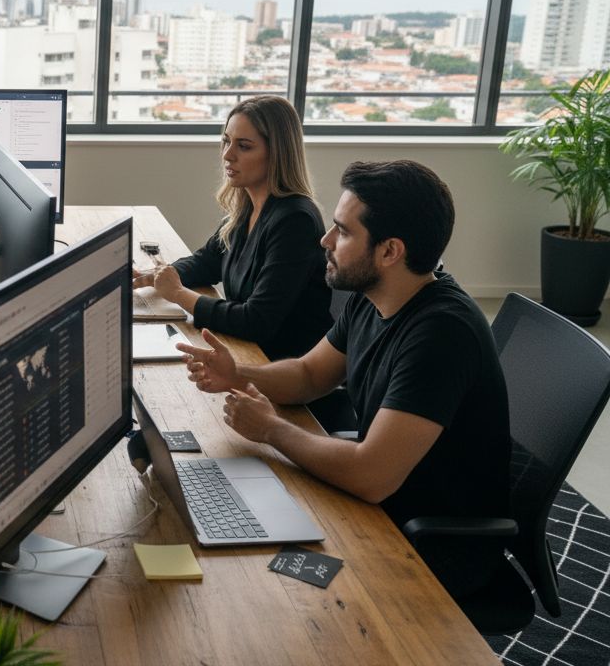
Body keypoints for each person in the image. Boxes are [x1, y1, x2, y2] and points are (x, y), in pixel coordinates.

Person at [178, 160, 511, 596]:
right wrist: (237, 373)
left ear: (390, 251)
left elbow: (373, 476)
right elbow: (309, 374)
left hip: (424, 542)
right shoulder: (374, 294)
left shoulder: (441, 335)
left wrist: (271, 429)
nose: (325, 240)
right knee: (228, 527)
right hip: (382, 500)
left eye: (343, 231)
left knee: (247, 586)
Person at [133, 95, 331, 360]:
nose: (227, 155)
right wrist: (151, 276)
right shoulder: (247, 206)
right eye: (227, 141)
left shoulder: (296, 221)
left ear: (277, 154)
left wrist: (179, 294)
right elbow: (207, 262)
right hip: (246, 354)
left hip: (279, 372)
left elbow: (256, 321)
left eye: (244, 146)